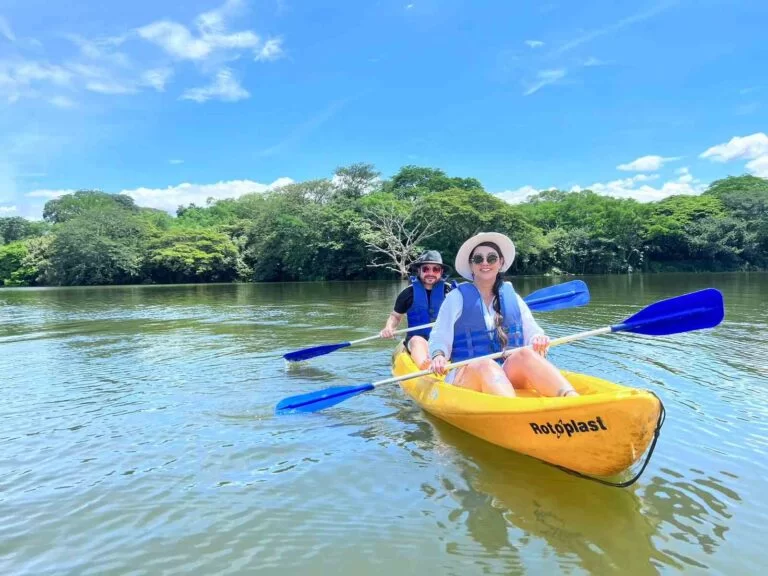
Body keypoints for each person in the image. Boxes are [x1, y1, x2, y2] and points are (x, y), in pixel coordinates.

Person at [428, 232, 578, 398]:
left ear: (500, 263)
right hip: (467, 374)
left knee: (525, 354)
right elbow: (439, 337)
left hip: (506, 371)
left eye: (491, 258)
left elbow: (533, 332)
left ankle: (571, 400)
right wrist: (439, 355)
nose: (485, 263)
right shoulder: (455, 298)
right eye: (478, 259)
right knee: (486, 365)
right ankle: (514, 412)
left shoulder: (511, 296)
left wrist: (538, 339)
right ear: (471, 265)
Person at [380, 250, 455, 369]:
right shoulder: (408, 293)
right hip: (418, 340)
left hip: (444, 342)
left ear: (441, 272)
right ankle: (426, 368)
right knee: (417, 341)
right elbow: (396, 316)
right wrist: (389, 327)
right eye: (426, 269)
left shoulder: (451, 292)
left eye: (435, 269)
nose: (431, 273)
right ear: (419, 270)